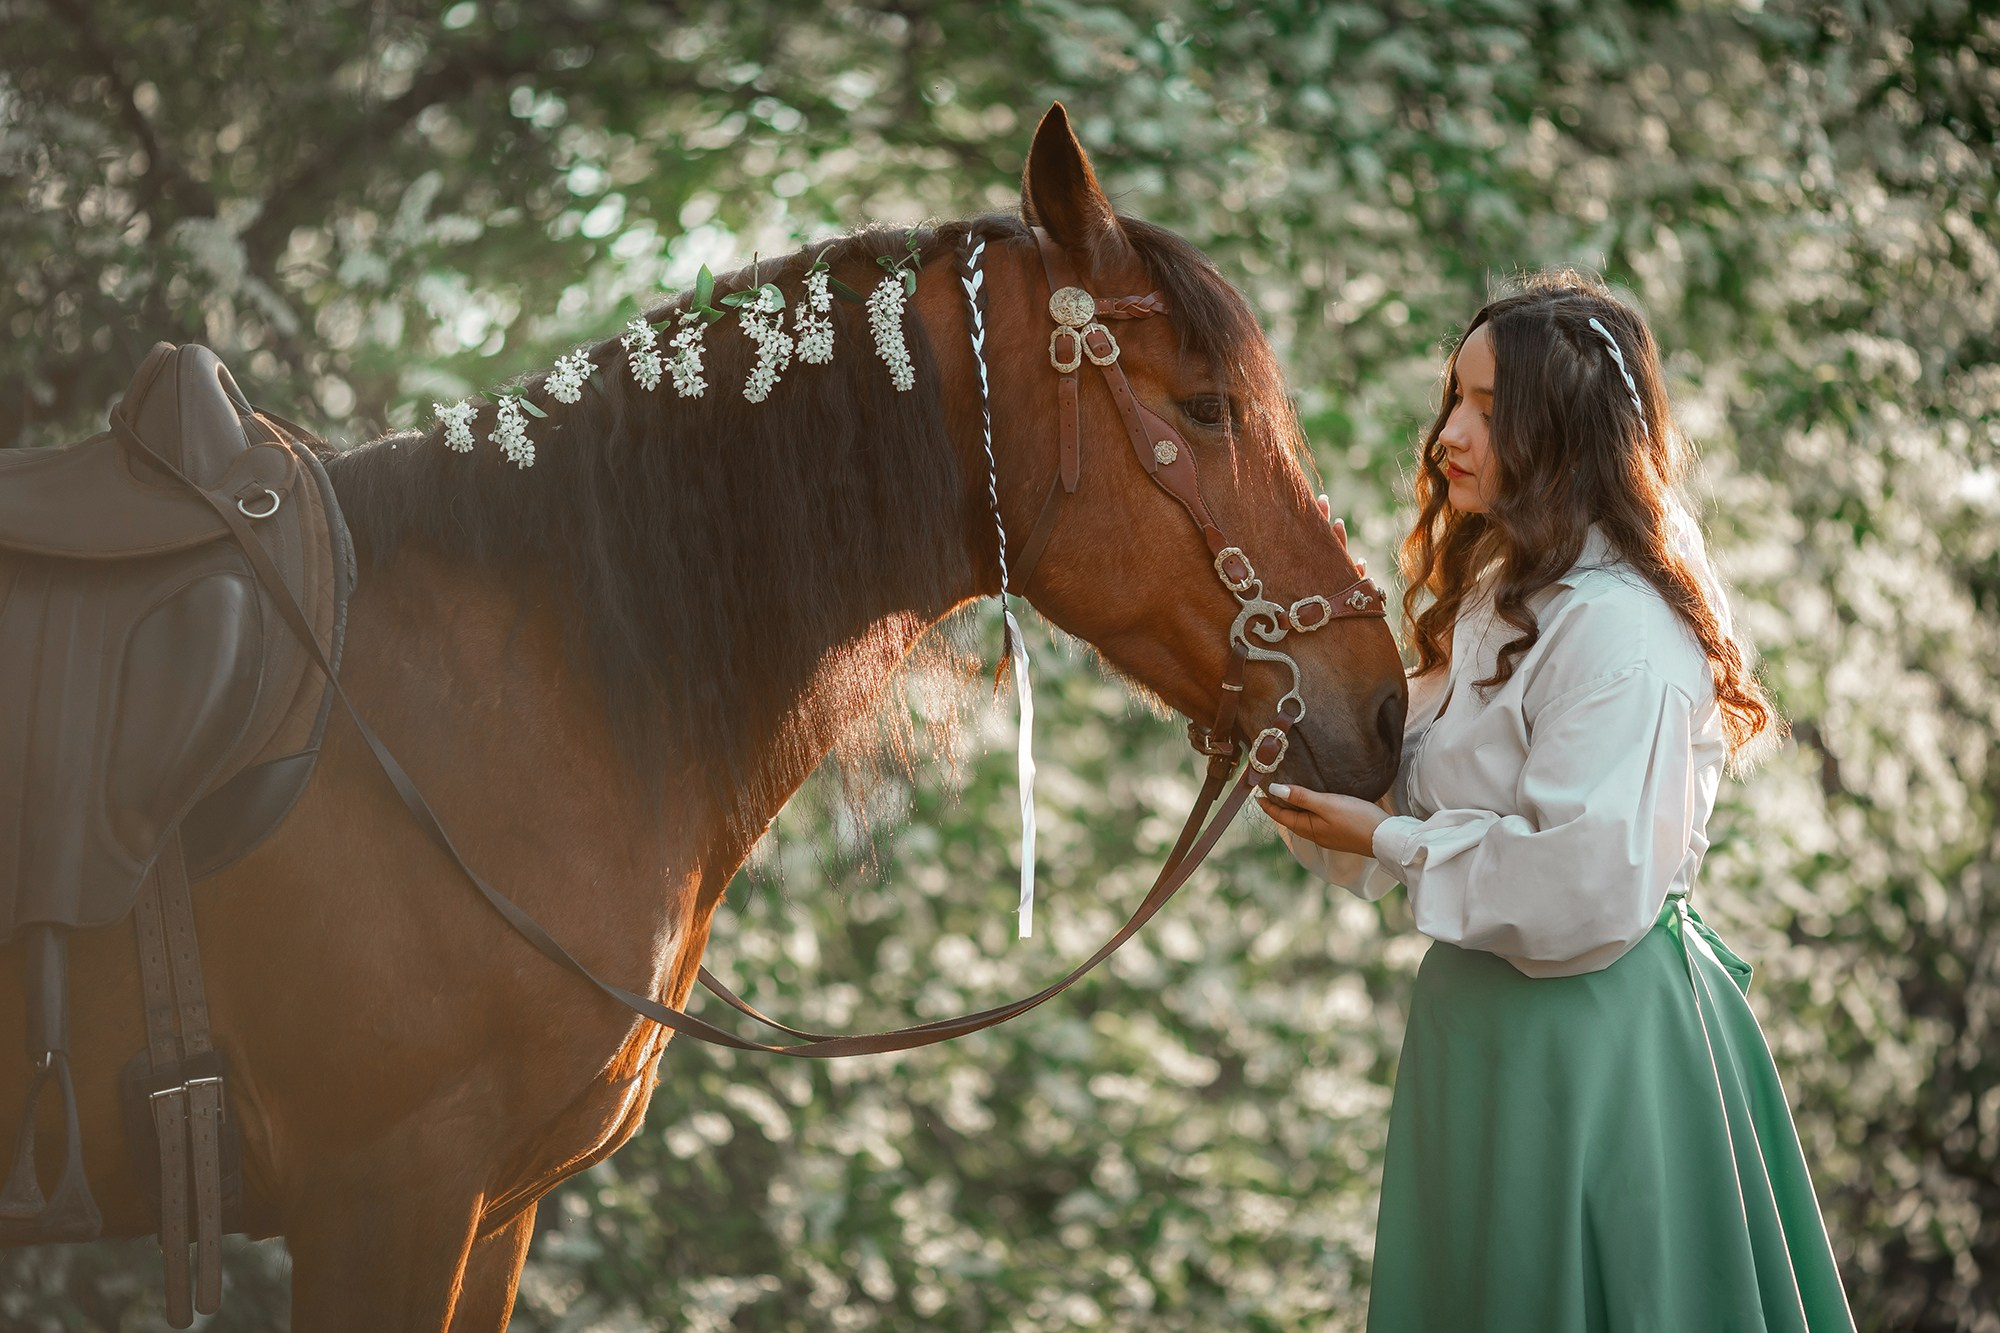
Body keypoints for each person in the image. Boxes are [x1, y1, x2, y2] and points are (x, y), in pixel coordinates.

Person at [1260, 270, 1855, 1332]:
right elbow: (1407, 796)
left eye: (1488, 409)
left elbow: (1584, 886)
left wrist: (1393, 839)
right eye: (1452, 396)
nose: (1447, 431)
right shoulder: (1500, 600)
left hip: (1591, 1040)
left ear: (1566, 430)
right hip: (1479, 1036)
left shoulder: (1619, 629)